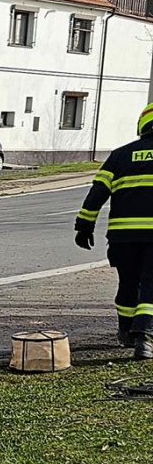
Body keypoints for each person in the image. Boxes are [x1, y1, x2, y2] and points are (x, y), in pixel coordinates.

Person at [76, 101, 153, 358]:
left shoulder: (120, 155)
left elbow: (97, 192)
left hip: (123, 238)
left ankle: (126, 331)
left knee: (128, 283)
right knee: (151, 286)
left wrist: (84, 225)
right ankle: (145, 337)